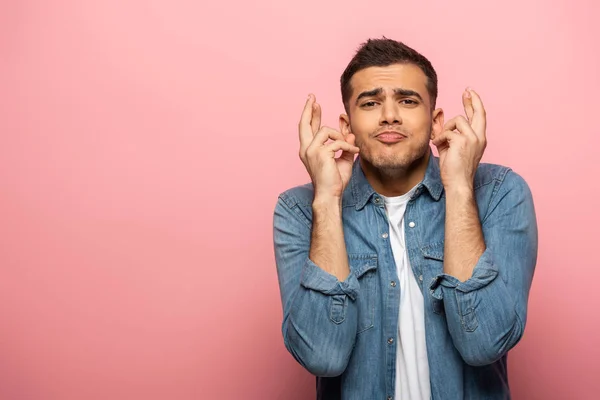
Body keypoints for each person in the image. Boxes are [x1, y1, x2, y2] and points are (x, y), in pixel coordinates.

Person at [273, 38, 538, 400]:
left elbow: (485, 343)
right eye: (370, 102)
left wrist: (459, 186)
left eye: (408, 100)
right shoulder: (300, 210)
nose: (389, 115)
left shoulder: (498, 193)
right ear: (346, 126)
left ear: (436, 121)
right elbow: (323, 355)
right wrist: (327, 199)